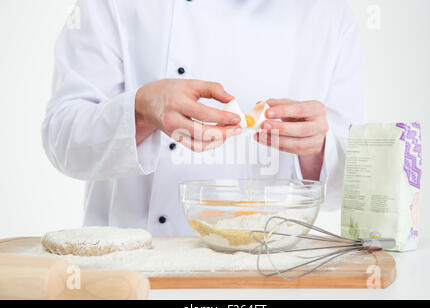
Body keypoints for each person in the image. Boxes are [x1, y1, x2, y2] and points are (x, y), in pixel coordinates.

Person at [42, 0, 365, 236]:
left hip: (271, 266)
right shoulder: (110, 6)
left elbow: (351, 186)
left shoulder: (331, 16)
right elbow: (64, 145)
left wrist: (316, 149)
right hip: (134, 262)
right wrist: (141, 109)